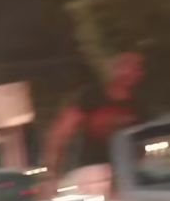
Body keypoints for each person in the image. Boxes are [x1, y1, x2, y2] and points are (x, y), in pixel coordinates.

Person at [42, 52, 148, 182]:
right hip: (93, 175)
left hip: (128, 175)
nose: (129, 71)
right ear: (114, 68)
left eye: (136, 67)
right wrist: (50, 174)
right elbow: (59, 134)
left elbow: (143, 144)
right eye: (125, 64)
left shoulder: (140, 106)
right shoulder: (91, 97)